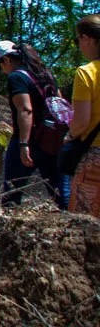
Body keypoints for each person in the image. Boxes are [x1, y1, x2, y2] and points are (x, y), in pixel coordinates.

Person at [0, 39, 70, 209]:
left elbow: (25, 110)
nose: (1, 71)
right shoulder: (45, 74)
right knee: (61, 192)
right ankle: (76, 225)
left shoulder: (16, 77)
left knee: (11, 192)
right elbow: (60, 103)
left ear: (6, 60)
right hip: (53, 141)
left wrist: (24, 144)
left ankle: (7, 228)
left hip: (29, 141)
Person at [69, 14, 100, 216]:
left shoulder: (86, 73)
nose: (79, 45)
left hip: (95, 155)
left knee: (85, 222)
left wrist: (69, 136)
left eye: (78, 39)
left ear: (87, 38)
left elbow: (81, 122)